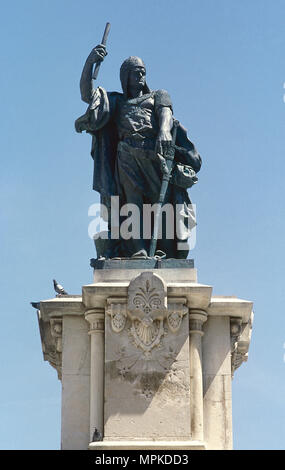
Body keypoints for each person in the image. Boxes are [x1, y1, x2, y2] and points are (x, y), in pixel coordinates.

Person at [75, 44, 202, 259]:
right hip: (126, 156)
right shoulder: (116, 101)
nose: (141, 75)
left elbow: (166, 113)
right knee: (132, 205)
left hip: (154, 155)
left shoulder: (158, 95)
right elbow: (88, 95)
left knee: (159, 203)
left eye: (143, 72)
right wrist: (90, 63)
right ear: (126, 77)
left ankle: (164, 247)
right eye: (136, 72)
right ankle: (138, 250)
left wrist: (163, 131)